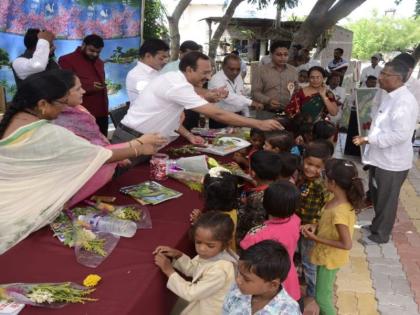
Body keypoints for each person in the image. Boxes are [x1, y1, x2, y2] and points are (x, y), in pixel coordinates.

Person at [0, 71, 159, 254]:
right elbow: (97, 155)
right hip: (22, 212)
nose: (63, 108)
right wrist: (139, 148)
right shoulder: (49, 134)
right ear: (42, 104)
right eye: (61, 102)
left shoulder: (11, 119)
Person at [113, 52, 282, 151]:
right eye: (205, 72)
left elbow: (169, 116)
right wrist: (258, 124)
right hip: (131, 141)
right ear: (189, 69)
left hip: (147, 142)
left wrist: (189, 135)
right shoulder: (177, 84)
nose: (209, 77)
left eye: (210, 72)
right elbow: (217, 113)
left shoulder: (177, 81)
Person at [52, 69, 166, 205]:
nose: (83, 91)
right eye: (78, 88)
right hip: (78, 185)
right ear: (63, 94)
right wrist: (139, 144)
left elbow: (98, 139)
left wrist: (118, 156)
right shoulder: (59, 123)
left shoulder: (78, 109)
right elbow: (94, 153)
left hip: (100, 178)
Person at [353, 60, 418, 244]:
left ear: (397, 78)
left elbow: (400, 135)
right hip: (379, 158)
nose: (380, 77)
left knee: (387, 201)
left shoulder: (404, 102)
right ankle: (376, 226)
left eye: (385, 74)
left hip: (392, 163)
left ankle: (381, 235)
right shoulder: (387, 94)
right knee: (376, 195)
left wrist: (369, 139)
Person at [301, 159, 364, 315]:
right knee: (322, 293)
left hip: (331, 258)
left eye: (325, 177)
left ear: (333, 182)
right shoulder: (333, 198)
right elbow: (325, 220)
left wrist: (315, 239)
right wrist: (315, 226)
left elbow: (346, 244)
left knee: (322, 299)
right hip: (325, 254)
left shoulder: (339, 212)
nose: (322, 180)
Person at [153, 211, 236, 315]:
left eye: (210, 245)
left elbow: (191, 293)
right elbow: (194, 269)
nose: (202, 249)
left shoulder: (220, 270)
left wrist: (169, 271)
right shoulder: (213, 254)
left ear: (225, 244)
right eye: (198, 242)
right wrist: (178, 255)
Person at [240, 180, 302, 301]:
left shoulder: (256, 234)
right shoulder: (296, 220)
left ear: (265, 203)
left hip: (266, 285)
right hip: (290, 280)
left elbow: (245, 256)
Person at [223, 240, 301, 315]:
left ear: (272, 285)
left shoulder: (289, 310)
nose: (238, 280)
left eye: (246, 279)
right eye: (239, 273)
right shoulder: (236, 291)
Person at [295, 140, 332, 301]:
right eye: (309, 163)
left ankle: (312, 294)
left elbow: (327, 206)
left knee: (309, 262)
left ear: (324, 168)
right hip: (298, 224)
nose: (311, 169)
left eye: (317, 167)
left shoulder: (320, 184)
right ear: (303, 160)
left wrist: (315, 224)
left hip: (310, 230)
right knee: (299, 256)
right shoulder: (300, 177)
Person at [58, 34, 109, 136]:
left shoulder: (99, 62)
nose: (94, 54)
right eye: (91, 50)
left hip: (102, 113)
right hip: (81, 113)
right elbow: (66, 85)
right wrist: (90, 86)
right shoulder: (66, 60)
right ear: (83, 45)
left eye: (98, 52)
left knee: (104, 144)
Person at [237, 151, 283, 242]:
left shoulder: (256, 198)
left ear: (252, 173)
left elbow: (251, 225)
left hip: (255, 241)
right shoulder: (280, 189)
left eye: (249, 166)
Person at [208, 54, 263, 128]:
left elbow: (241, 95)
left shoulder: (238, 77)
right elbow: (228, 97)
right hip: (220, 118)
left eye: (238, 69)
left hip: (237, 116)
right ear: (223, 66)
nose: (235, 72)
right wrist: (251, 102)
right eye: (231, 69)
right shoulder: (216, 79)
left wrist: (247, 116)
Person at [190, 172, 239, 251]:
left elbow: (205, 238)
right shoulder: (230, 209)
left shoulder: (221, 221)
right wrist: (203, 217)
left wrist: (197, 223)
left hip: (219, 256)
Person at [251, 41, 298, 119]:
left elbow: (296, 90)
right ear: (271, 55)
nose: (283, 57)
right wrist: (268, 101)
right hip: (266, 112)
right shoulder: (261, 71)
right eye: (279, 55)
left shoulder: (293, 70)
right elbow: (255, 92)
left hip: (287, 113)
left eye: (285, 55)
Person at [126, 39, 169, 103]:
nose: (165, 62)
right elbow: (155, 100)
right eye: (161, 58)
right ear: (148, 56)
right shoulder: (136, 75)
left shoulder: (156, 71)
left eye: (166, 58)